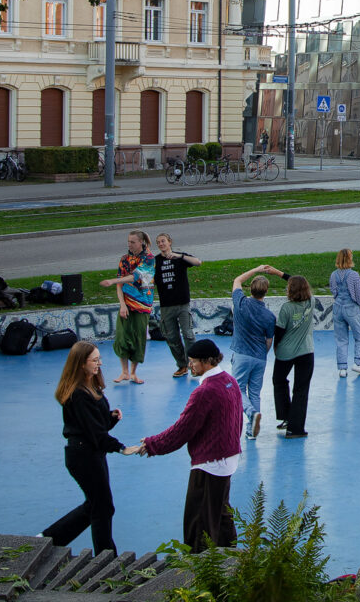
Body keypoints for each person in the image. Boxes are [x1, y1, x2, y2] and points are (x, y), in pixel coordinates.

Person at [126, 340, 243, 552]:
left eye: (193, 362)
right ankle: (232, 559)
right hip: (228, 458)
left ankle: (200, 570)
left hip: (210, 463)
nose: (190, 366)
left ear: (207, 362)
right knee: (221, 513)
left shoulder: (204, 392)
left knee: (199, 521)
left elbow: (182, 429)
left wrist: (152, 444)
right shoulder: (229, 381)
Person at [42, 342, 124, 555]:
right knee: (102, 507)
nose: (99, 364)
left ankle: (50, 538)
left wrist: (110, 418)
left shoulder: (91, 386)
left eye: (99, 359)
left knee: (97, 505)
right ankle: (106, 557)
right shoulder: (78, 394)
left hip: (93, 453)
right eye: (95, 360)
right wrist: (122, 448)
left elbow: (96, 425)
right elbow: (94, 433)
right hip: (84, 455)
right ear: (81, 363)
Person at [231, 264, 286, 440]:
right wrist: (263, 353)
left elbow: (237, 280)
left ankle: (251, 413)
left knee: (237, 389)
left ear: (251, 289)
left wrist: (255, 269)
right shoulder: (270, 316)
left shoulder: (241, 303)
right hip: (259, 357)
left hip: (241, 354)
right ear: (266, 292)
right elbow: (269, 340)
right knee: (254, 392)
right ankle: (251, 430)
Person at [99, 231, 155, 384]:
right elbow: (120, 283)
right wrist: (122, 304)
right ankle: (124, 372)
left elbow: (135, 276)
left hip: (143, 304)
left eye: (133, 242)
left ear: (141, 242)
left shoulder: (149, 259)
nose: (129, 245)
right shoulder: (124, 259)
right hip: (127, 303)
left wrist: (111, 281)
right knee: (122, 337)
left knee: (138, 338)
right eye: (128, 241)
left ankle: (133, 373)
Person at [152, 234, 203, 379]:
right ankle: (182, 365)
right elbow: (150, 279)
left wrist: (179, 256)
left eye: (163, 241)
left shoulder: (180, 257)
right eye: (158, 242)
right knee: (172, 337)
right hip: (166, 306)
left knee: (188, 334)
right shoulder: (156, 261)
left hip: (182, 304)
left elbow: (198, 262)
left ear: (169, 242)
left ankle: (194, 365)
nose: (161, 244)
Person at [272, 275, 315, 438]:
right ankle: (295, 428)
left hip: (286, 352)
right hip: (306, 351)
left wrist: (276, 346)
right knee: (301, 389)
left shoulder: (286, 308)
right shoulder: (312, 302)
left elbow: (280, 330)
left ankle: (285, 415)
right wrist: (281, 274)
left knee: (279, 380)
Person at [329, 248, 360, 377]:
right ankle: (358, 363)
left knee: (341, 339)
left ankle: (342, 368)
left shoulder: (333, 275)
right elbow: (359, 295)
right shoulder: (353, 275)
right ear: (349, 259)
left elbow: (333, 291)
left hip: (338, 308)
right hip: (351, 308)